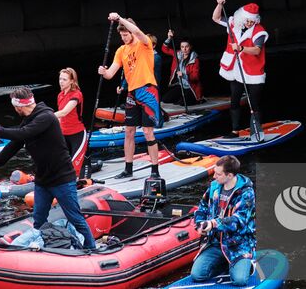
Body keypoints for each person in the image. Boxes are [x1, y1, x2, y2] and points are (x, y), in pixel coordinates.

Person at [0, 88, 97, 251]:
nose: (14, 110)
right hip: (43, 180)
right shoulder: (29, 120)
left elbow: (23, 134)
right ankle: (42, 249)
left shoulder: (45, 117)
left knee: (75, 218)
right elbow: (13, 146)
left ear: (19, 107)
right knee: (39, 220)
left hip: (62, 179)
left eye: (15, 107)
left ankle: (91, 248)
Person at [96, 13, 164, 178]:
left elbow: (138, 31)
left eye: (126, 34)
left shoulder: (143, 43)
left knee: (148, 131)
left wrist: (119, 19)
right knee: (129, 131)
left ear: (131, 32)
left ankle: (155, 170)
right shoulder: (121, 50)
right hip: (132, 92)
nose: (123, 38)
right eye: (121, 35)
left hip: (147, 90)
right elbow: (111, 74)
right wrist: (103, 72)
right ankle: (128, 169)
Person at [192, 155, 257, 285]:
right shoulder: (214, 187)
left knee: (239, 281)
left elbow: (239, 220)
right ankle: (224, 263)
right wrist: (199, 223)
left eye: (218, 174)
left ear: (230, 175)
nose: (214, 177)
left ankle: (247, 263)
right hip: (215, 243)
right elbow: (202, 207)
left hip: (238, 245)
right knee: (197, 275)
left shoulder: (246, 193)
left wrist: (213, 223)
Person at [212, 0, 268, 139]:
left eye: (252, 21)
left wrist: (241, 48)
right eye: (247, 20)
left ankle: (255, 130)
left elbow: (256, 50)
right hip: (236, 70)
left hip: (253, 71)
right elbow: (216, 17)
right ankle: (235, 130)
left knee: (254, 103)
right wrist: (219, 4)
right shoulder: (233, 24)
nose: (249, 23)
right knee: (234, 100)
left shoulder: (259, 31)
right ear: (242, 18)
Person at [161, 30, 203, 105]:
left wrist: (183, 75)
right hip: (181, 86)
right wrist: (169, 38)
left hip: (191, 87)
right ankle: (181, 98)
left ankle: (199, 99)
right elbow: (164, 49)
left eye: (187, 46)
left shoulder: (194, 60)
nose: (184, 49)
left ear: (190, 47)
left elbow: (195, 77)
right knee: (165, 99)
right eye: (182, 47)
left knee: (182, 103)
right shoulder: (177, 54)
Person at [54, 67, 86, 157]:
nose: (61, 81)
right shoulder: (60, 95)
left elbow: (64, 112)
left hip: (77, 134)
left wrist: (45, 116)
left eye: (64, 79)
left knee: (75, 168)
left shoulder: (77, 94)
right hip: (63, 135)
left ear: (72, 81)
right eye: (60, 79)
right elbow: (60, 117)